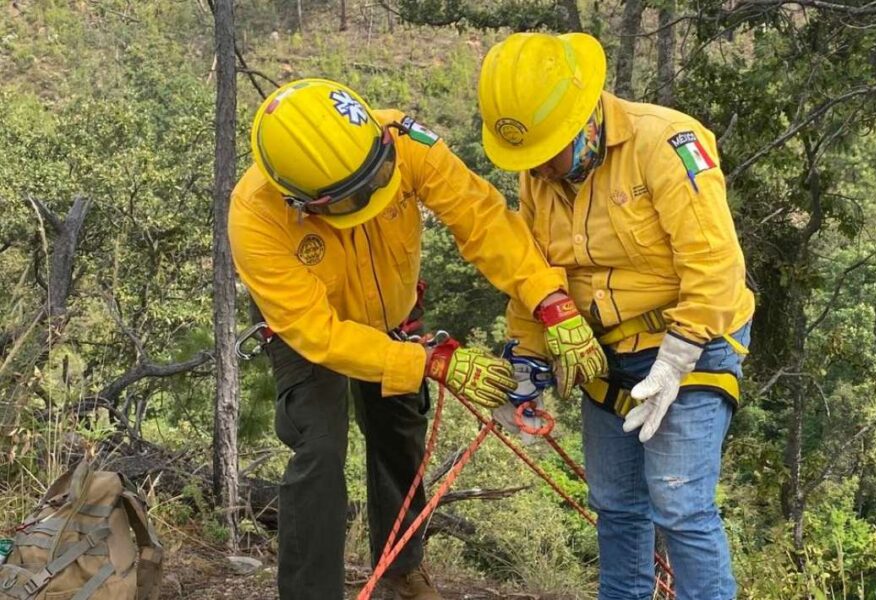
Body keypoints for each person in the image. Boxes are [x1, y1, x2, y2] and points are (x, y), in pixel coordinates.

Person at [228, 78, 606, 600]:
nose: (376, 191)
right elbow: (319, 333)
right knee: (318, 448)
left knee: (399, 434)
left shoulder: (402, 140)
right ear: (304, 202)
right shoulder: (256, 217)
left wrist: (550, 300)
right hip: (310, 328)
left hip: (393, 308)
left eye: (379, 175)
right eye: (353, 197)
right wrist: (431, 362)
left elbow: (480, 218)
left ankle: (401, 569)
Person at [478, 33, 756, 600]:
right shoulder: (540, 172)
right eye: (531, 161)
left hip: (692, 336)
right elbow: (537, 269)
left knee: (678, 503)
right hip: (605, 351)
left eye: (547, 154)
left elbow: (715, 260)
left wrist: (678, 357)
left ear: (583, 119)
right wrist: (526, 361)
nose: (541, 171)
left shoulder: (665, 143)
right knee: (617, 506)